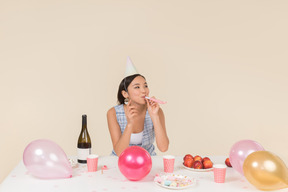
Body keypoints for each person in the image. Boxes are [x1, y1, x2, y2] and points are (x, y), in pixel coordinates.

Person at [107, 57, 169, 156]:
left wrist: (154, 117)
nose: (144, 91)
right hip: (121, 162)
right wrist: (130, 124)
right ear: (125, 94)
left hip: (148, 161)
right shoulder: (113, 113)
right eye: (137, 87)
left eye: (145, 86)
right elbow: (119, 152)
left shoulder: (156, 111)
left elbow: (164, 147)